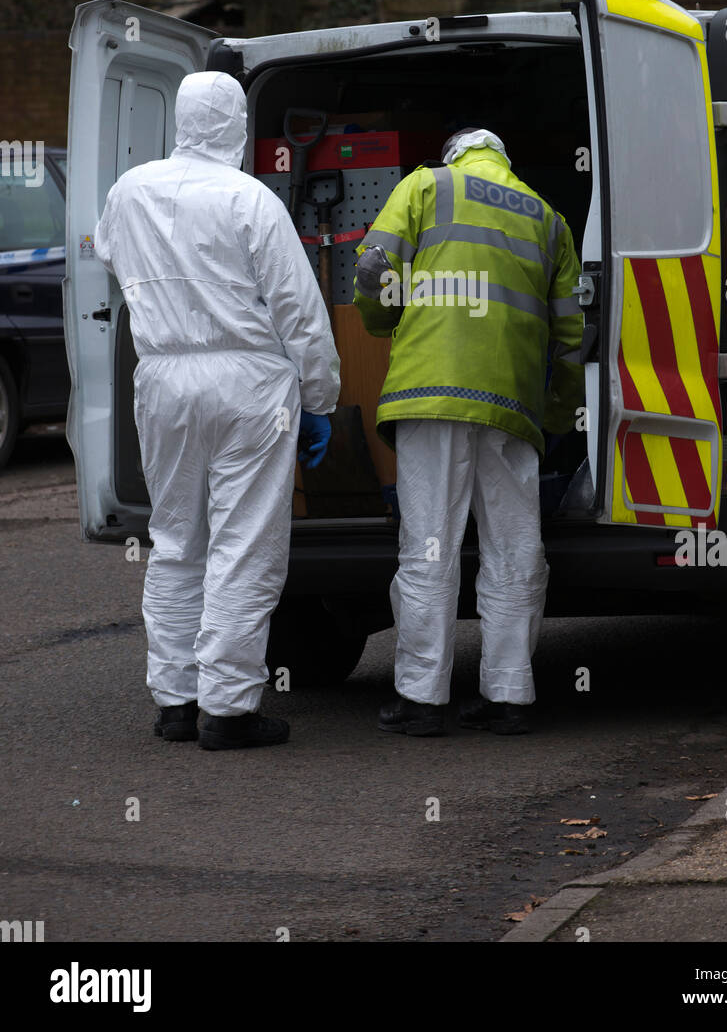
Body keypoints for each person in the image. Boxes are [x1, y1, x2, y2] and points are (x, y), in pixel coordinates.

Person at [94, 71, 340, 750]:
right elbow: (298, 310)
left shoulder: (130, 190)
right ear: (235, 125)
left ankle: (176, 701)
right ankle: (228, 709)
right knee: (243, 545)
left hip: (165, 377)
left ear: (180, 119)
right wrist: (318, 398)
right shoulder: (249, 198)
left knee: (176, 542)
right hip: (248, 380)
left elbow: (112, 258)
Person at [353, 127, 584, 736]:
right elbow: (570, 336)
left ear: (456, 155)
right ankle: (510, 695)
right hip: (510, 405)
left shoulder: (427, 185)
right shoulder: (548, 219)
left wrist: (381, 323)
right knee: (514, 548)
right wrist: (558, 416)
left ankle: (423, 699)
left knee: (430, 542)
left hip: (430, 395)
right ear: (503, 162)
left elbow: (375, 267)